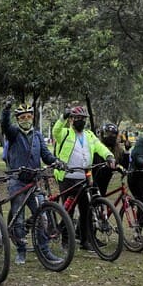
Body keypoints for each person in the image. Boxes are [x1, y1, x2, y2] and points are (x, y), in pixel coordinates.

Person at [1, 98, 58, 264]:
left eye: (28, 116)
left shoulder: (38, 136)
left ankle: (44, 250)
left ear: (32, 117)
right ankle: (21, 250)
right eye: (22, 117)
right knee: (18, 218)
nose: (26, 120)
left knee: (42, 215)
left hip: (34, 182)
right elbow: (4, 125)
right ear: (18, 119)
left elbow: (46, 155)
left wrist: (55, 162)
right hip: (16, 181)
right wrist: (6, 110)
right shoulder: (13, 134)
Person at [52, 105, 115, 245]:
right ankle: (66, 241)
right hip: (67, 177)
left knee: (86, 209)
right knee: (68, 209)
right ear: (72, 119)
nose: (80, 121)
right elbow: (55, 131)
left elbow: (100, 146)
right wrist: (63, 117)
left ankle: (86, 240)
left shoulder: (89, 135)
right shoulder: (65, 133)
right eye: (77, 118)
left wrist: (109, 156)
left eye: (83, 119)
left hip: (84, 177)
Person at [92, 123, 127, 196]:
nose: (110, 136)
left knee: (101, 196)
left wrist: (127, 150)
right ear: (102, 134)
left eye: (113, 134)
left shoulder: (119, 150)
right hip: (94, 177)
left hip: (106, 178)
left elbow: (124, 165)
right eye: (108, 133)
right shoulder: (97, 147)